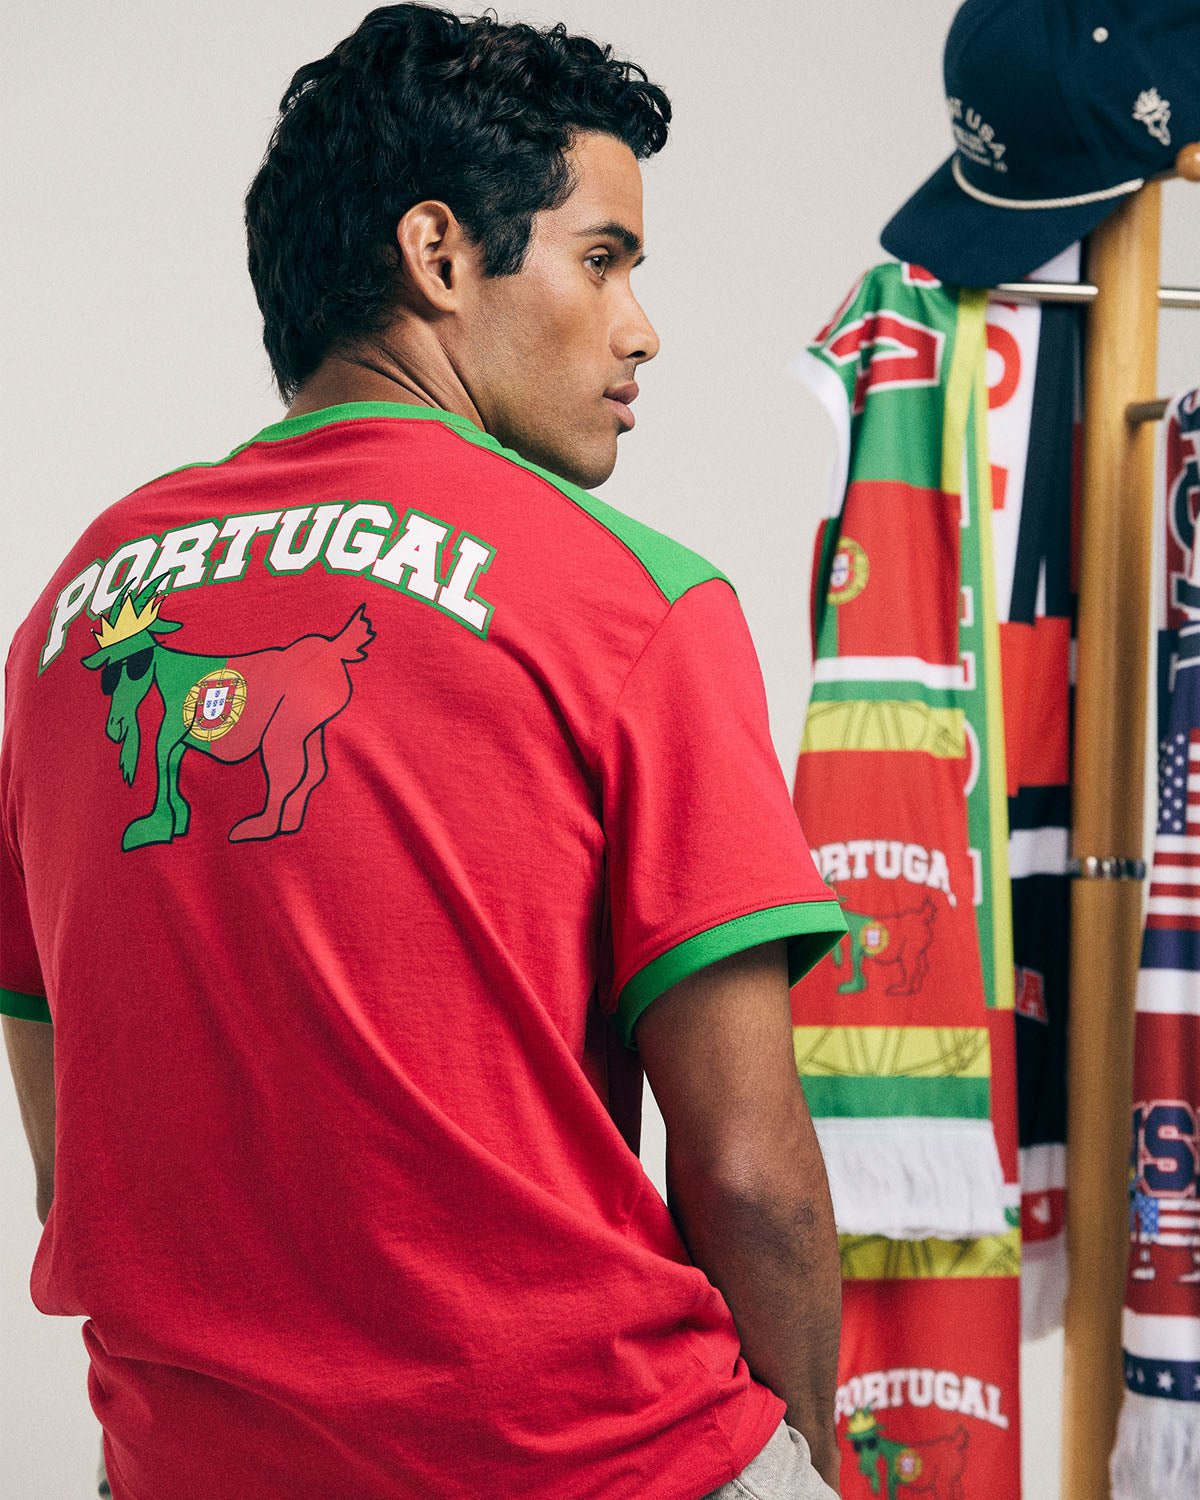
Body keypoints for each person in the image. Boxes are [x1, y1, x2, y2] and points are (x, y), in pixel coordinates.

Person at [0, 6, 846, 1497]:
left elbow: (83, 1167)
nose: (643, 325)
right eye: (604, 258)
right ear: (440, 255)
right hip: (590, 1465)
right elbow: (752, 1182)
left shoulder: (72, 621)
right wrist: (806, 1452)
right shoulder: (633, 602)